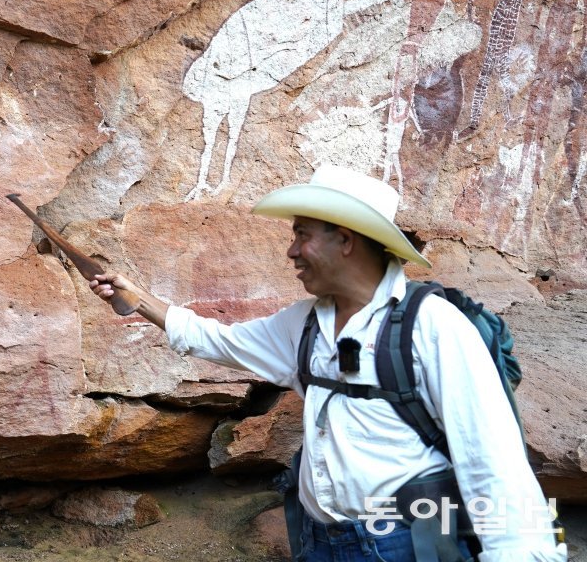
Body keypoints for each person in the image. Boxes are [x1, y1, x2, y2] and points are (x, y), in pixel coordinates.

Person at [89, 165, 566, 562]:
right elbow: (216, 340)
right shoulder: (306, 324)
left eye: (302, 235)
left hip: (405, 547)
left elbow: (493, 462)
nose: (292, 250)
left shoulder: (433, 326)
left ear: (345, 240)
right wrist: (138, 298)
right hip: (318, 543)